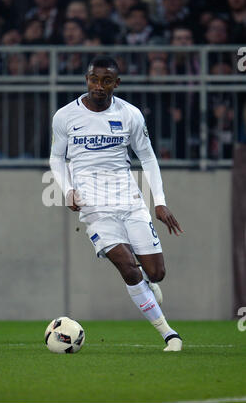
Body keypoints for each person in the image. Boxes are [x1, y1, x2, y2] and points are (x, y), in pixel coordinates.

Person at [50, 55, 184, 351]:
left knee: (155, 273)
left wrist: (159, 202)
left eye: (106, 81)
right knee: (128, 268)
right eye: (94, 79)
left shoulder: (131, 115)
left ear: (116, 83)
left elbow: (147, 157)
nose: (99, 86)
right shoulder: (65, 116)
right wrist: (68, 190)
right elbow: (56, 158)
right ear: (87, 80)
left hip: (130, 201)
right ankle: (168, 334)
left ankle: (149, 285)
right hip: (93, 208)